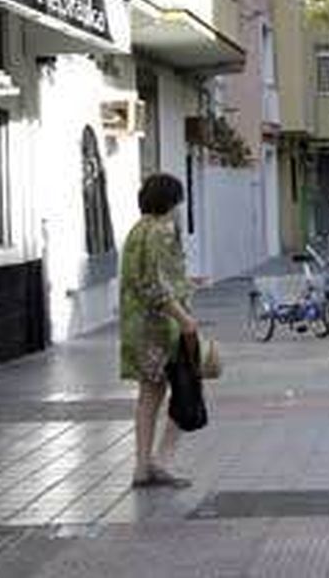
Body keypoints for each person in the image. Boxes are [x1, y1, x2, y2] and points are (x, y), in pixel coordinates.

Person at [119, 173, 200, 488]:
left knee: (149, 394)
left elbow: (143, 278)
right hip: (161, 329)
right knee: (186, 389)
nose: (180, 208)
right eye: (179, 201)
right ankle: (163, 460)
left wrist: (186, 284)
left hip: (136, 327)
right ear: (171, 202)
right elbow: (155, 285)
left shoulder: (137, 231)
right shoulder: (161, 232)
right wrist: (184, 319)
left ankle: (142, 466)